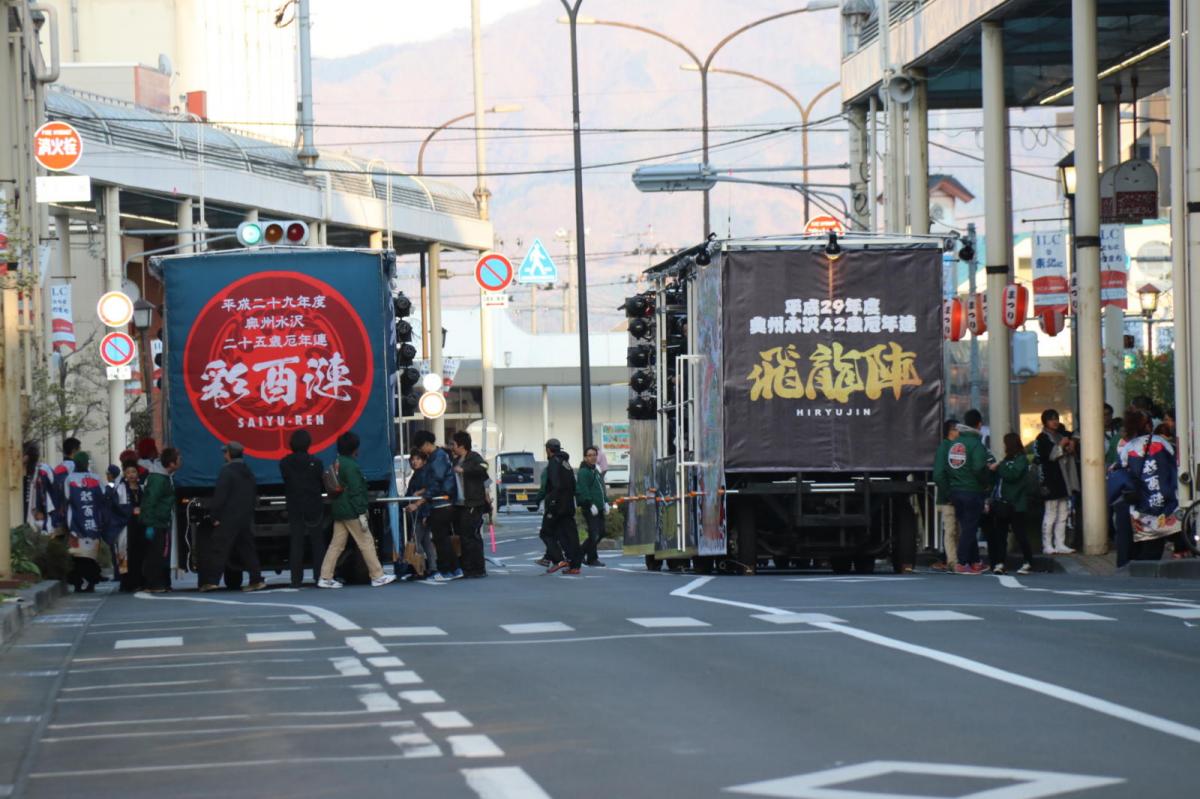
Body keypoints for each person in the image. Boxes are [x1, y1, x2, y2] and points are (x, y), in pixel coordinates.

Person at [317, 432, 396, 589]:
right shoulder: (351, 466)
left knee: (336, 544)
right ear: (354, 448)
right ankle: (377, 575)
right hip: (352, 511)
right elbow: (356, 491)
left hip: (340, 509)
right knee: (366, 541)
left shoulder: (337, 462)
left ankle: (325, 577)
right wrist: (362, 511)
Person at [1112, 410, 1181, 563]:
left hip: (1140, 501)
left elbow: (1122, 470)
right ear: (1149, 426)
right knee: (1157, 540)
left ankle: (1138, 565)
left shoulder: (1128, 447)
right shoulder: (1162, 442)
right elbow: (1175, 464)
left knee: (1144, 539)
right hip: (1165, 498)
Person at [201, 442, 266, 592]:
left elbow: (220, 496)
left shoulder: (227, 471)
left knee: (219, 548)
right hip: (244, 517)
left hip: (228, 517)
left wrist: (214, 515)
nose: (224, 455)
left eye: (225, 453)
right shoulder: (248, 471)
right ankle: (256, 579)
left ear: (229, 454)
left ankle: (212, 581)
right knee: (247, 549)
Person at [945, 410, 993, 575]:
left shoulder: (955, 444)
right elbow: (979, 468)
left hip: (955, 490)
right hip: (972, 491)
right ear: (979, 424)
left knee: (966, 526)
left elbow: (948, 467)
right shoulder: (976, 444)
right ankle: (962, 561)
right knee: (970, 528)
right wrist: (986, 483)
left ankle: (974, 562)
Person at [279, 429, 328, 588]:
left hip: (294, 505)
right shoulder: (317, 463)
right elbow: (321, 483)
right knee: (317, 542)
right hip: (313, 505)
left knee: (296, 542)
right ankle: (319, 575)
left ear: (291, 444)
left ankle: (295, 578)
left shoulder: (284, 463)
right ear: (308, 444)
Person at [413, 430, 461, 582]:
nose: (421, 451)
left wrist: (421, 500)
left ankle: (447, 570)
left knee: (441, 539)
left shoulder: (438, 457)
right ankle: (455, 569)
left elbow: (436, 483)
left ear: (427, 444)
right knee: (442, 539)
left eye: (421, 448)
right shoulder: (437, 456)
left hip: (441, 503)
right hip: (441, 503)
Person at [987, 433, 1035, 575]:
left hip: (1016, 504)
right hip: (1003, 503)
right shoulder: (1007, 460)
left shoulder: (1021, 460)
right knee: (1001, 535)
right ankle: (1000, 562)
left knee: (1020, 534)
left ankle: (1028, 561)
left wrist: (999, 467)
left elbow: (1012, 475)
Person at [1035, 409, 1078, 555]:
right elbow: (1050, 456)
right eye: (1051, 419)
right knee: (1050, 513)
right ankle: (1047, 544)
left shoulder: (1061, 435)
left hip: (1063, 479)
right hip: (1050, 480)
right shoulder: (1042, 438)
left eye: (1056, 418)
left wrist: (1070, 446)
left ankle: (1060, 543)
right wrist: (1062, 445)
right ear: (1045, 422)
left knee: (1063, 513)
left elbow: (1068, 452)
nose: (1055, 421)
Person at [64, 452, 108, 592]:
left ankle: (77, 583)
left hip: (75, 524)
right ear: (87, 463)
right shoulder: (96, 478)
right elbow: (103, 498)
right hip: (93, 524)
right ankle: (91, 582)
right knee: (90, 556)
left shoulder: (69, 479)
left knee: (76, 555)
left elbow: (66, 498)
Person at [140, 448, 180, 593]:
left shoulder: (164, 476)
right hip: (156, 522)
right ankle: (153, 584)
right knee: (156, 554)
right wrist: (150, 524)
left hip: (161, 521)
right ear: (171, 463)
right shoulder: (158, 479)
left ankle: (161, 582)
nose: (181, 461)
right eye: (178, 459)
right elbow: (150, 501)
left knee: (160, 553)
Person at [450, 431, 490, 578]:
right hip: (460, 504)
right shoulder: (456, 460)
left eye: (453, 444)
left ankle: (477, 568)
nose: (452, 447)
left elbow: (484, 468)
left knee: (471, 536)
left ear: (461, 445)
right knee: (463, 536)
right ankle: (467, 567)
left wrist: (465, 470)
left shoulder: (474, 457)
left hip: (473, 503)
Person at [543, 438, 582, 575]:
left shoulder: (554, 462)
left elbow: (555, 485)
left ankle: (559, 559)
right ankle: (574, 565)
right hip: (568, 505)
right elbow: (572, 484)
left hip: (557, 505)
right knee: (570, 535)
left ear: (548, 449)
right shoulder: (566, 463)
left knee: (546, 532)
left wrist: (552, 503)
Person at [107, 463, 145, 592]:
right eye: (128, 472)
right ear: (124, 474)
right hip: (125, 525)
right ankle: (127, 582)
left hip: (140, 525)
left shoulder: (142, 488)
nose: (131, 475)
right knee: (124, 553)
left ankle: (139, 581)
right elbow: (116, 507)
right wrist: (131, 510)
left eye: (134, 472)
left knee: (139, 553)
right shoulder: (119, 488)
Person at [930, 419, 960, 572]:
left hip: (954, 495)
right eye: (957, 429)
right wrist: (948, 492)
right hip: (948, 497)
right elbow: (939, 475)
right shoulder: (945, 447)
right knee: (951, 529)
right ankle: (952, 561)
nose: (959, 432)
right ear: (951, 431)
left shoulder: (955, 447)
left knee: (955, 530)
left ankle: (955, 560)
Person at [402, 448, 436, 579]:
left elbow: (430, 490)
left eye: (417, 459)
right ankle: (431, 568)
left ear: (423, 460)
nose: (414, 462)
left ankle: (420, 568)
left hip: (422, 510)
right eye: (412, 459)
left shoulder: (424, 473)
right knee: (426, 541)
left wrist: (417, 495)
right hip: (419, 511)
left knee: (416, 540)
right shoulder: (417, 474)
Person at [576, 446, 608, 567]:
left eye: (594, 455)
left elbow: (601, 488)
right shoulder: (584, 472)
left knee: (601, 532)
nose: (592, 457)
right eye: (589, 455)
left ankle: (580, 554)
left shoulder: (595, 470)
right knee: (595, 533)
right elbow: (583, 489)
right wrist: (590, 504)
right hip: (590, 507)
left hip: (599, 507)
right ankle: (592, 558)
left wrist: (605, 501)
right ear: (585, 458)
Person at [532, 466, 563, 568]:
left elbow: (544, 488)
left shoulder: (549, 470)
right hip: (565, 505)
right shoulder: (566, 468)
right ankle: (547, 558)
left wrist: (537, 500)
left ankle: (559, 559)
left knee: (546, 533)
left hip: (552, 505)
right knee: (556, 533)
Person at [50, 437, 82, 535]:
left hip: (57, 513)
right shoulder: (75, 467)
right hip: (71, 514)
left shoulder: (58, 467)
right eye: (79, 449)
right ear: (74, 451)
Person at [23, 442, 55, 535]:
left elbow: (51, 493)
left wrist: (41, 510)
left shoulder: (43, 471)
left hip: (38, 520)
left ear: (26, 457)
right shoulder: (18, 472)